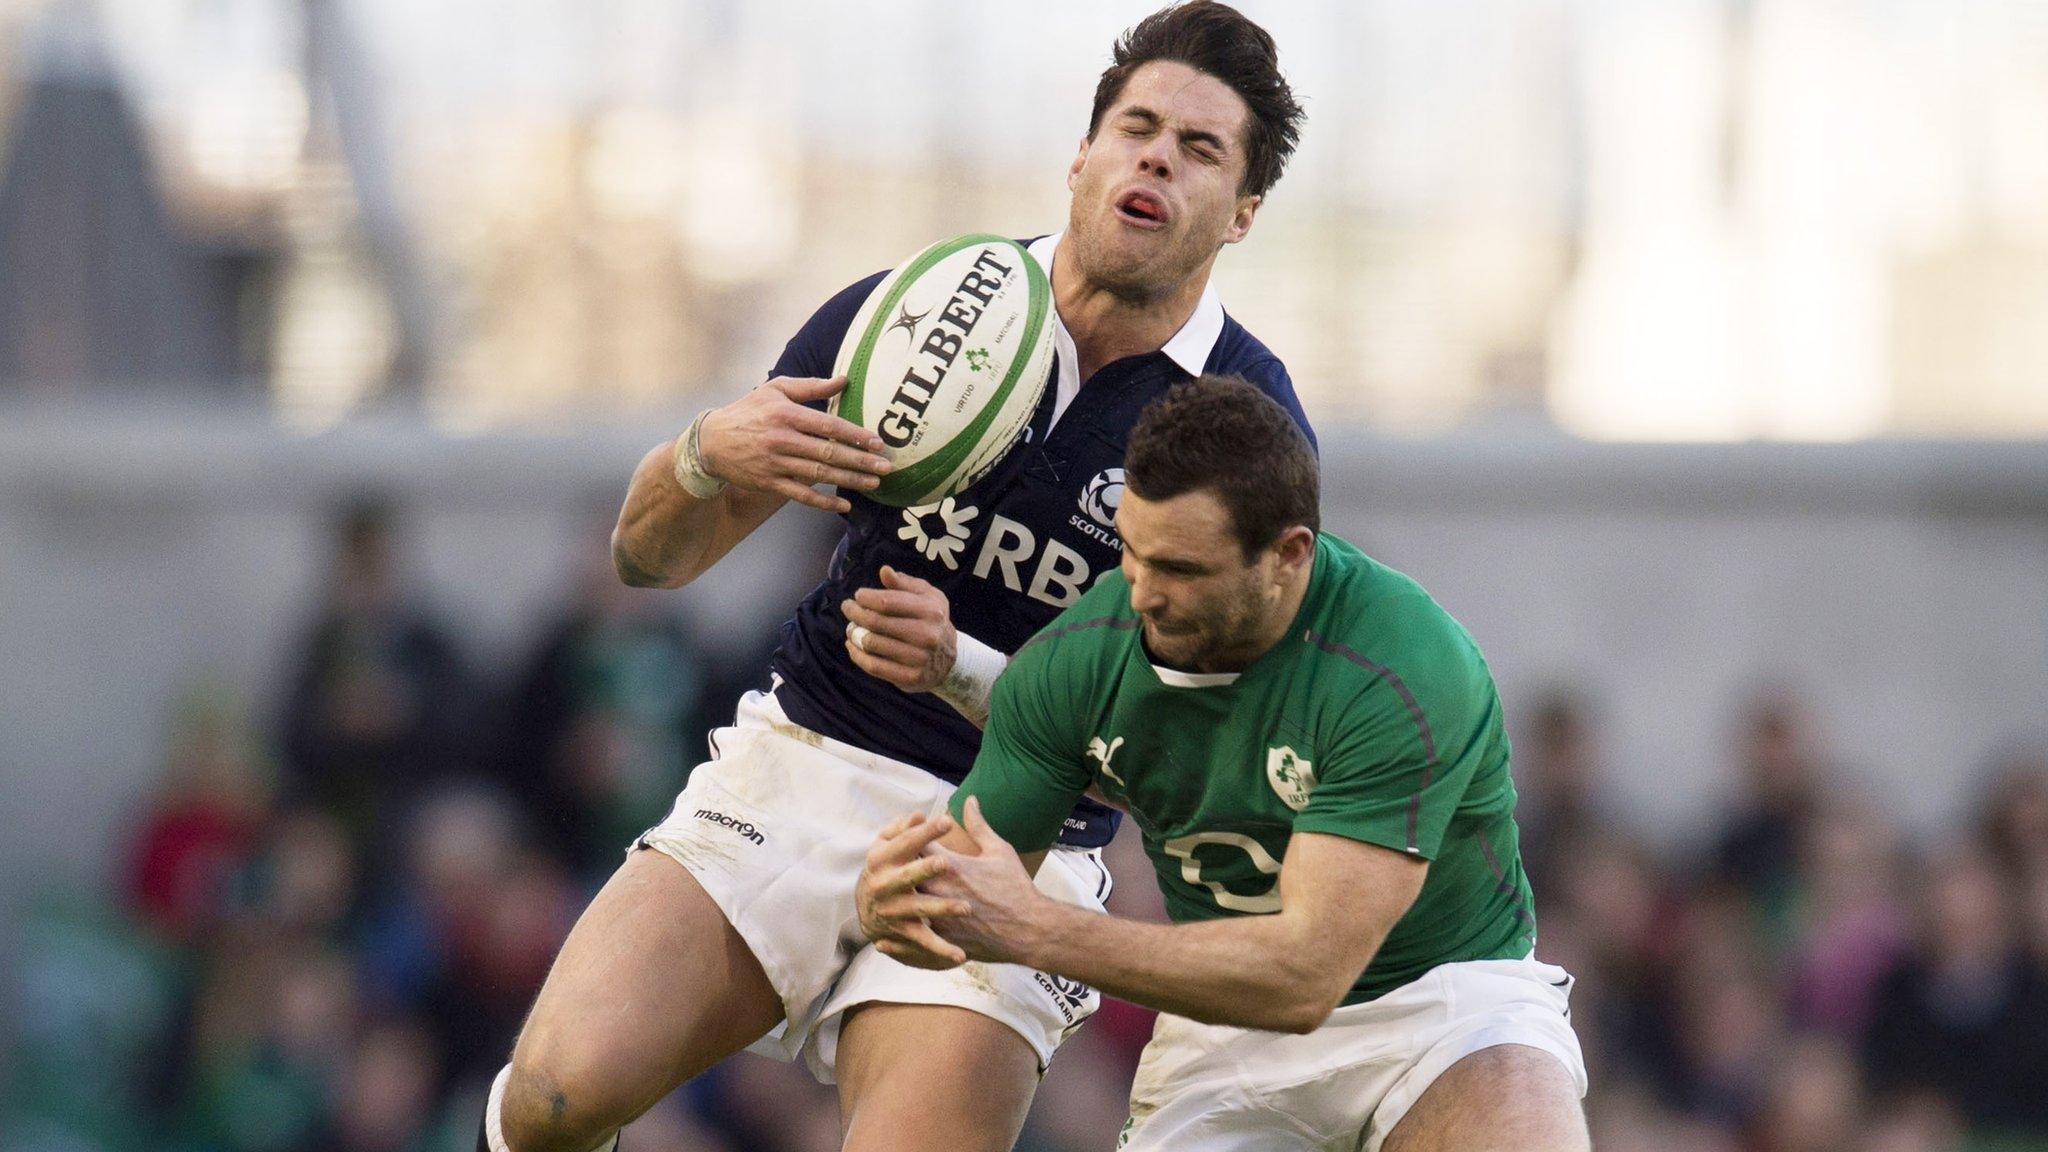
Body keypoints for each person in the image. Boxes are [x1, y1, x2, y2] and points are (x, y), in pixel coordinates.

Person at [482, 6, 1311, 1152]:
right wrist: (703, 452)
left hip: (1010, 839)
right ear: (1081, 155)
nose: (1157, 156)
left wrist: (962, 668)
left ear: (1243, 211)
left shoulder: (1243, 430)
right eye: (1136, 127)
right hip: (805, 760)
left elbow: (1190, 750)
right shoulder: (917, 312)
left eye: (1200, 148)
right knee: (554, 1099)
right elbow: (646, 556)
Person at [858, 377, 1590, 1151]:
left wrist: (1039, 929)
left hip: (1441, 1004)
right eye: (1132, 553)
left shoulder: (1400, 668)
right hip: (1222, 1026)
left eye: (1181, 569)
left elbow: (1306, 974)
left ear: (1288, 554)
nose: (1142, 594)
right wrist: (895, 904)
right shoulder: (1075, 663)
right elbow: (958, 899)